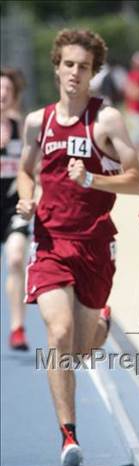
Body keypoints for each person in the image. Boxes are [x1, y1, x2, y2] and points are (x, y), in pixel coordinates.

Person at [17, 29, 139, 466]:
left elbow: (137, 180)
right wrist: (26, 195)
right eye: (68, 64)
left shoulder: (105, 120)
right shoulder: (39, 121)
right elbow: (25, 171)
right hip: (51, 242)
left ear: (93, 73)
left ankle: (101, 329)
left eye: (84, 66)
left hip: (94, 244)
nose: (75, 73)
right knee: (57, 334)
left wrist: (91, 179)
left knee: (79, 347)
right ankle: (68, 435)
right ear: (56, 67)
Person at [1, 68, 31, 350]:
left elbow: (34, 169)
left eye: (7, 90)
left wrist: (33, 197)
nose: (1, 94)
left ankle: (17, 327)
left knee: (14, 259)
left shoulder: (21, 128)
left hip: (12, 209)